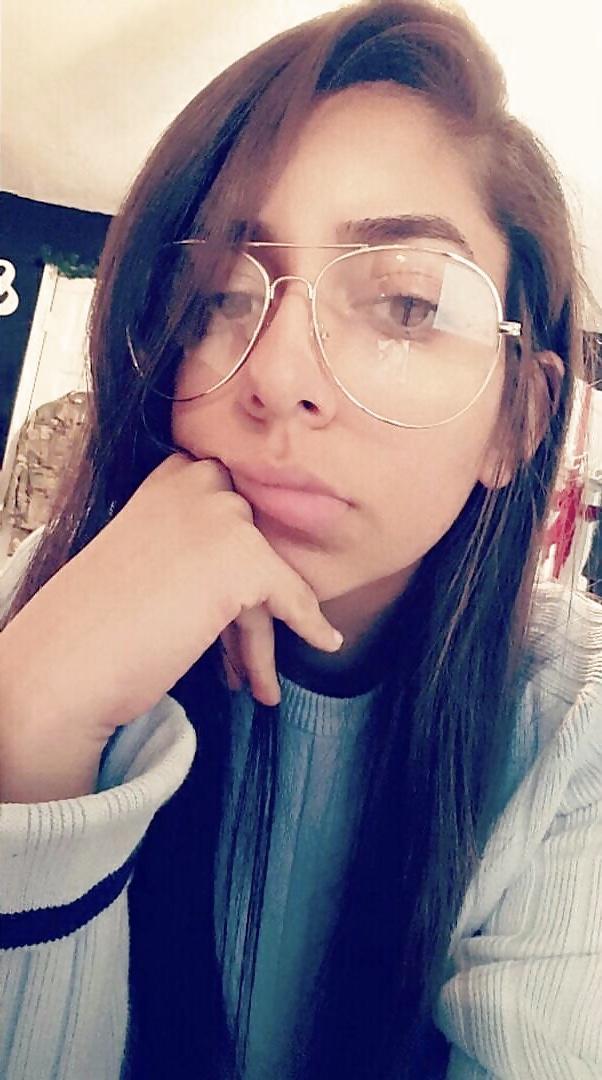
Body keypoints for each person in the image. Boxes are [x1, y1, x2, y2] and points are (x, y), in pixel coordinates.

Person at [0, 2, 600, 1078]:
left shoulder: (572, 733)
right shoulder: (32, 616)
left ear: (517, 416)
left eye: (407, 305)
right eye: (218, 297)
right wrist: (32, 731)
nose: (277, 377)